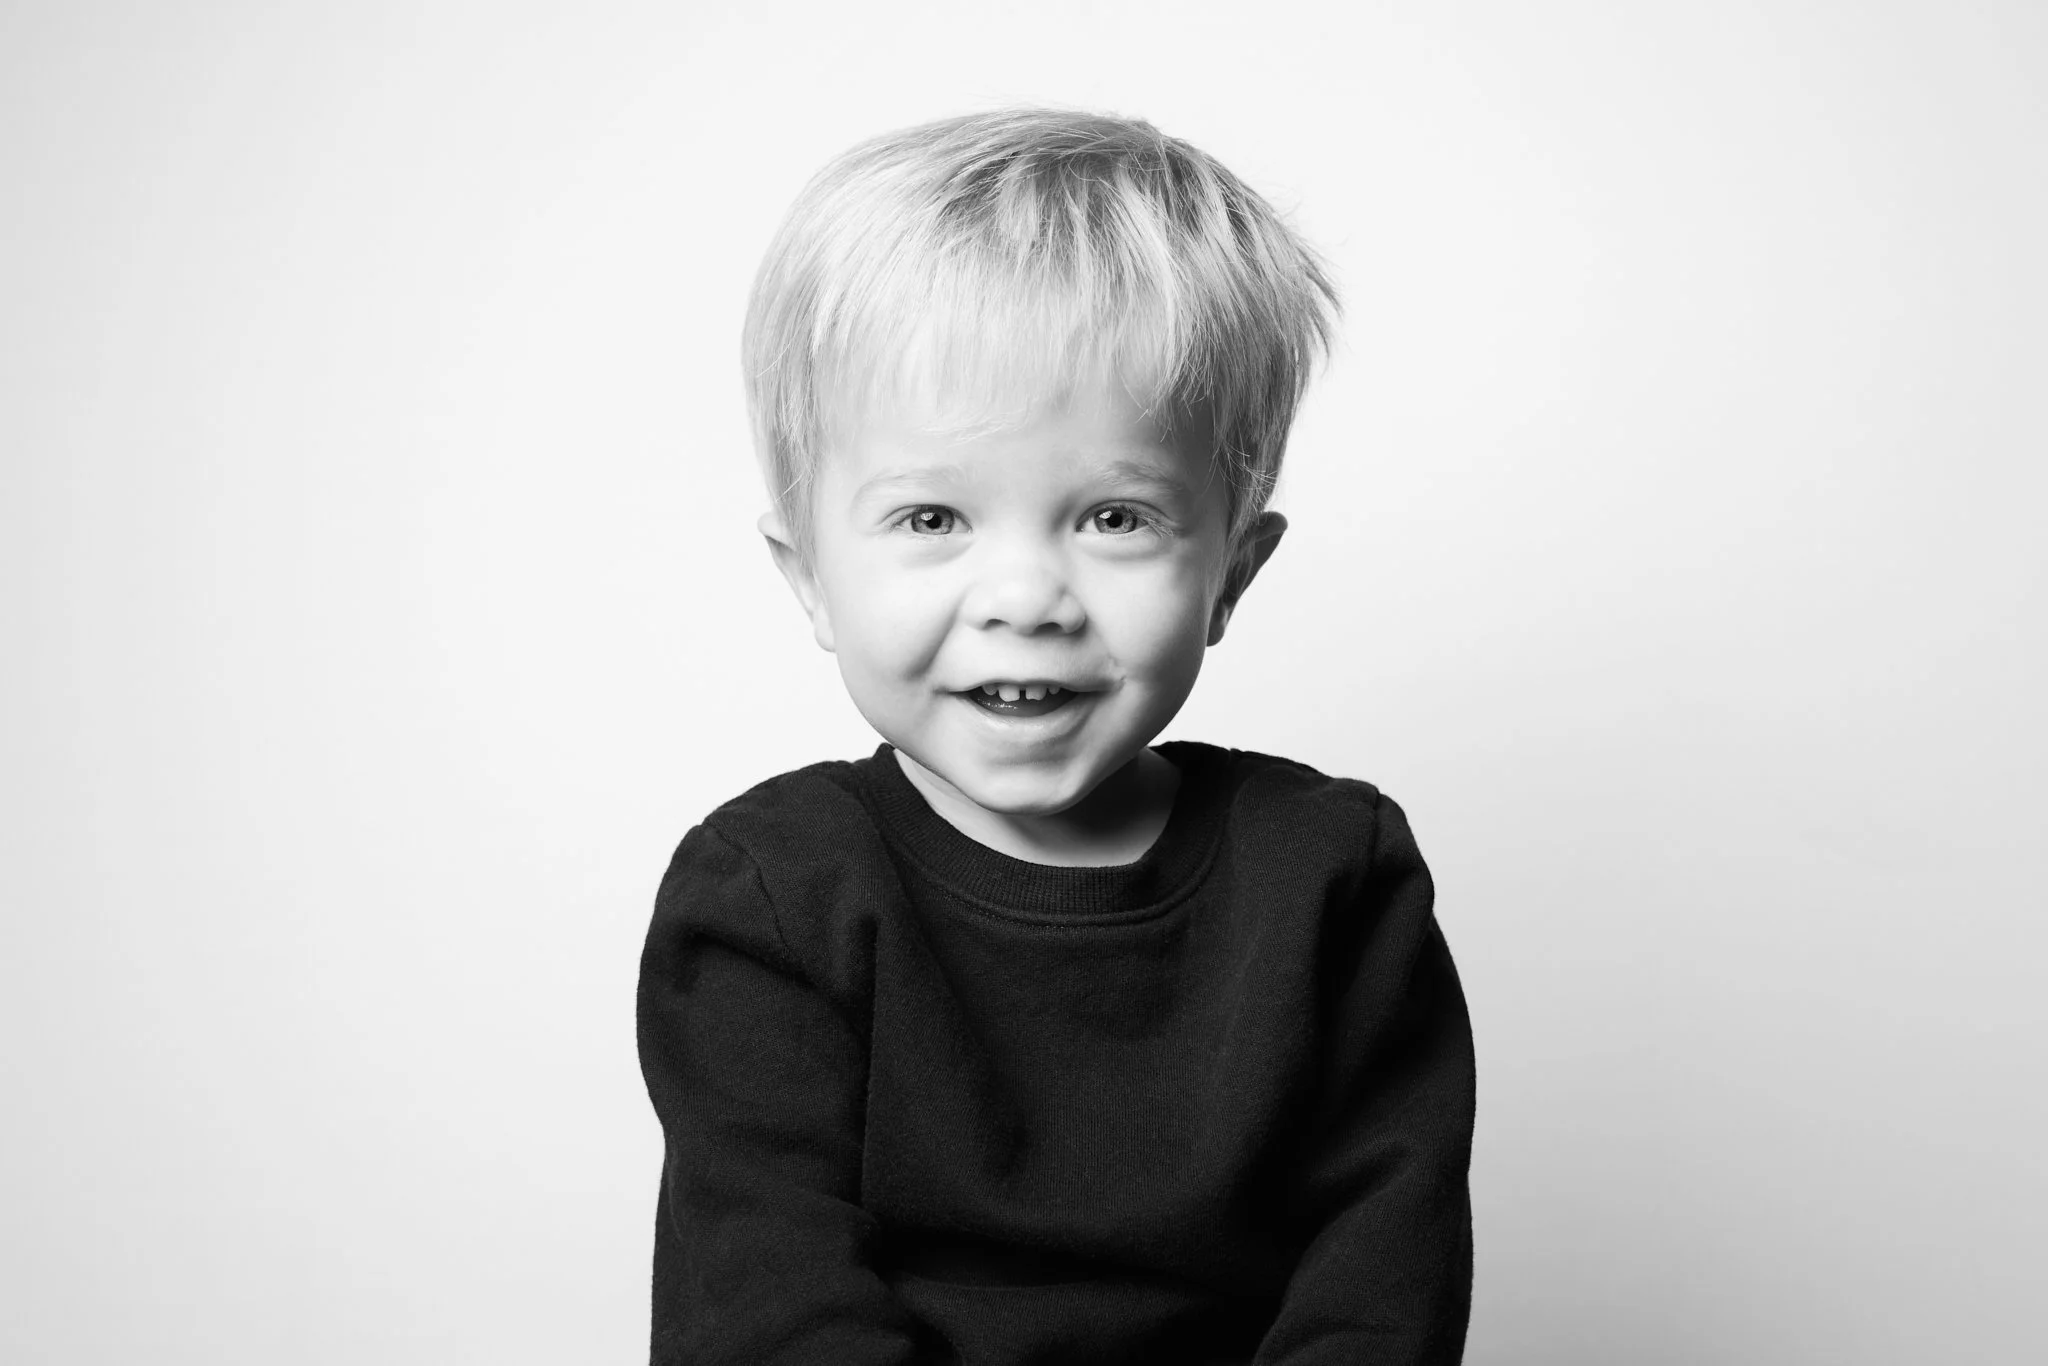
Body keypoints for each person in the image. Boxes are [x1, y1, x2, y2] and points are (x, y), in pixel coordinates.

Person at [636, 108, 1476, 1366]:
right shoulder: (769, 895)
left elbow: (1380, 1280)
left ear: (1231, 574)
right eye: (930, 517)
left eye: (1116, 517)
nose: (1025, 596)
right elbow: (766, 1305)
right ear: (807, 574)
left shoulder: (1333, 880)